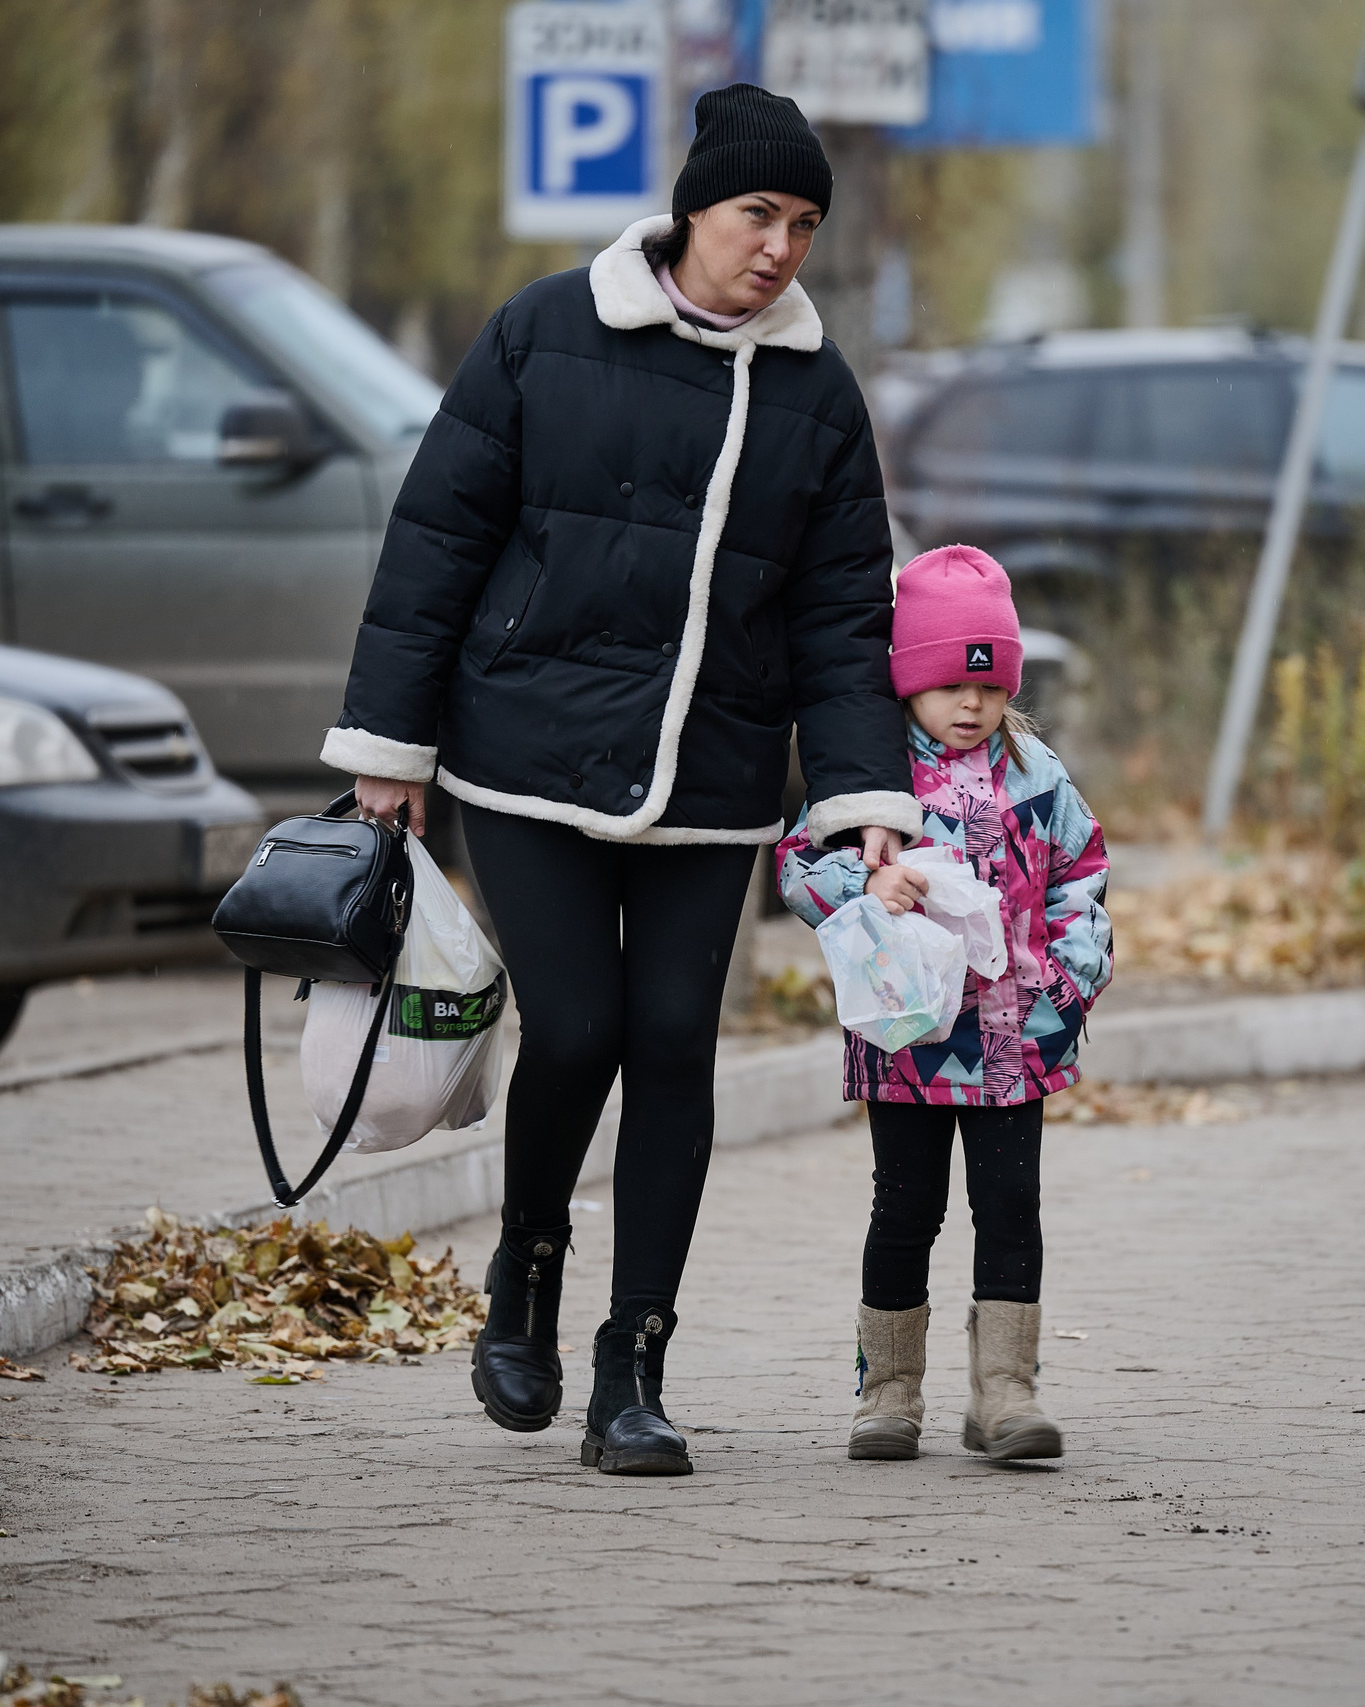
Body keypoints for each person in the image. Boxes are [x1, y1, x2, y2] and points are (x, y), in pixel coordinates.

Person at [324, 85, 923, 1477]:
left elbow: (843, 618)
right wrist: (387, 753)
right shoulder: (545, 330)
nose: (780, 247)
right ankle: (527, 1265)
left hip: (712, 773)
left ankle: (632, 1369)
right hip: (523, 755)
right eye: (757, 214)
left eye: (805, 224)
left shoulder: (818, 392)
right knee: (577, 1029)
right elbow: (436, 545)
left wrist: (865, 798)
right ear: (695, 209)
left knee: (672, 1045)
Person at [775, 544, 1113, 1462]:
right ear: (905, 681)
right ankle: (886, 1392)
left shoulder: (1036, 775)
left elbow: (1082, 873)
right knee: (906, 1207)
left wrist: (1072, 977)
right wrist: (863, 885)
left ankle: (1005, 1393)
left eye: (990, 686)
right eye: (946, 684)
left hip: (1016, 1039)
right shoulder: (876, 778)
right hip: (909, 1040)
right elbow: (796, 864)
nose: (971, 705)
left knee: (1011, 1205)